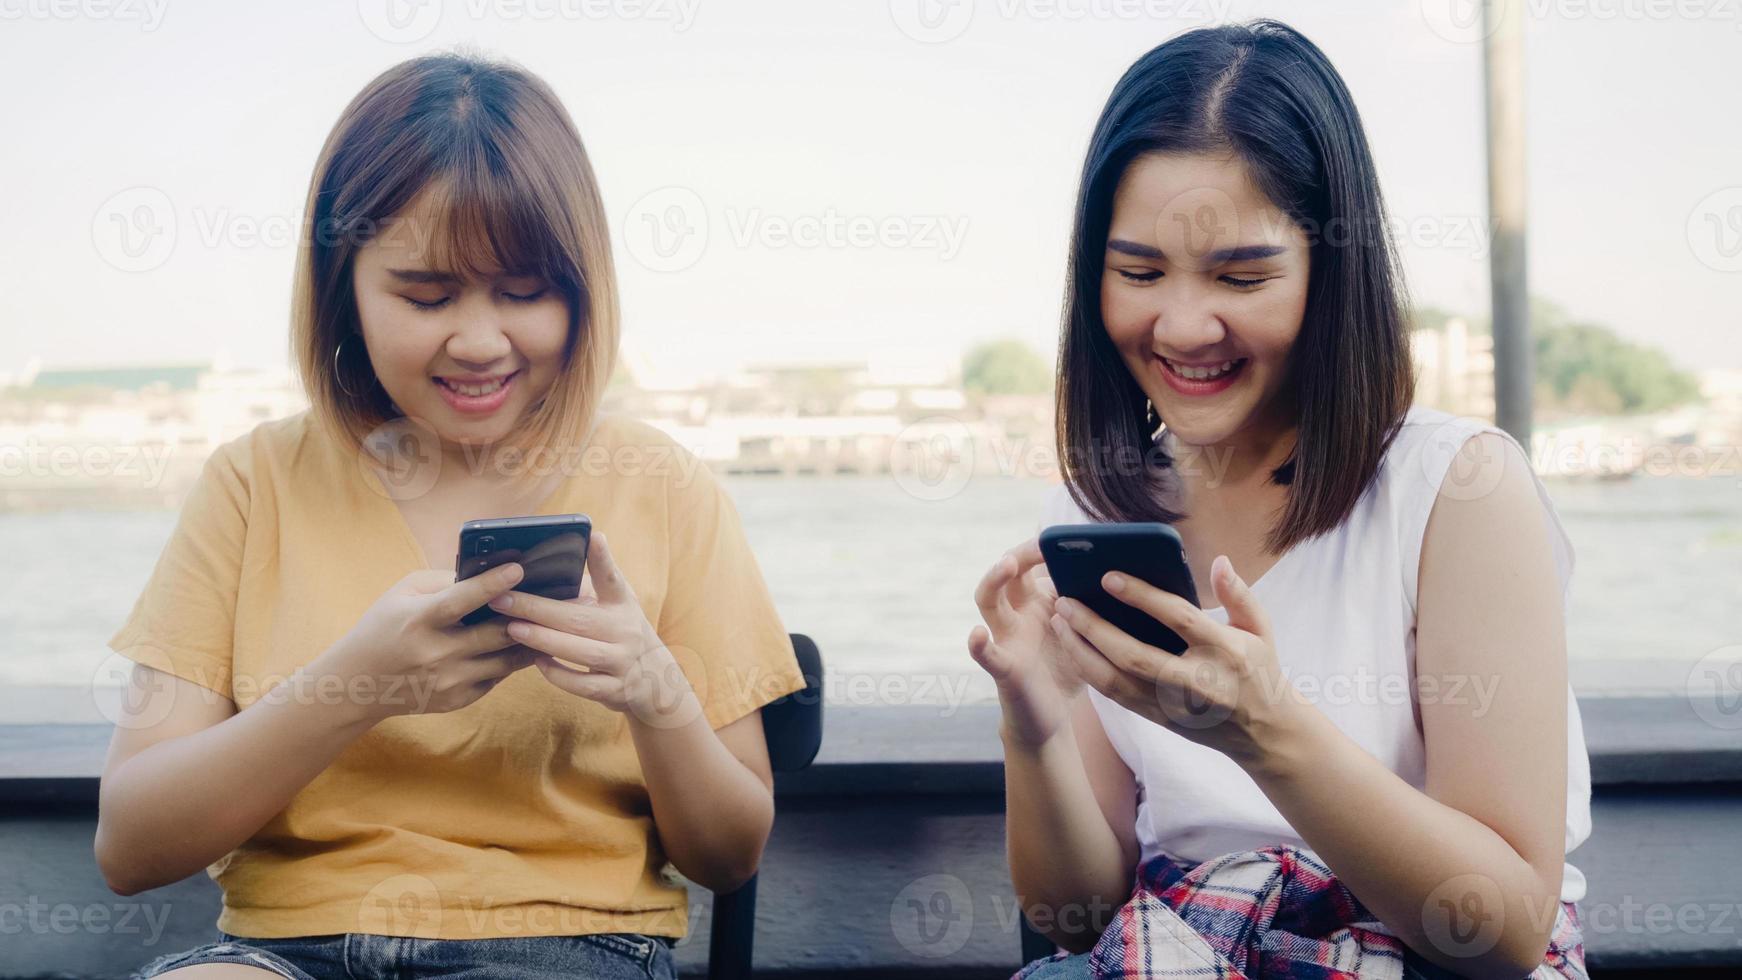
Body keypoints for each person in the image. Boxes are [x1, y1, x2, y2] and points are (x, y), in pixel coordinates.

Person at [97, 52, 806, 980]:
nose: (479, 342)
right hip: (282, 951)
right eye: (424, 295)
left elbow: (728, 854)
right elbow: (132, 847)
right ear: (342, 285)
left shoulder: (663, 486)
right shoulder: (254, 482)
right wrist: (356, 684)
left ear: (583, 288)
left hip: (569, 946)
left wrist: (654, 689)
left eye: (523, 292)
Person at [969, 21, 1592, 980]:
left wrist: (1264, 730)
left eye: (1242, 275)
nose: (1181, 324)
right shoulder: (1105, 508)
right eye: (1138, 273)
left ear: (1330, 273)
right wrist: (1033, 722)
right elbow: (1078, 914)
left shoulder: (1458, 487)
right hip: (1178, 947)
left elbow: (1501, 928)